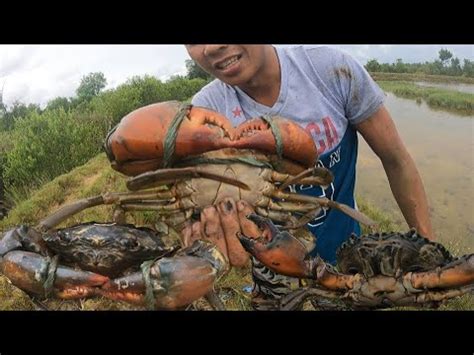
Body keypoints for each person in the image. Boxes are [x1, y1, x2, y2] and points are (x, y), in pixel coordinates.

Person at [184, 44, 434, 309]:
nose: (211, 47)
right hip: (273, 275)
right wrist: (203, 234)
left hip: (348, 261)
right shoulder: (203, 114)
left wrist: (428, 253)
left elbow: (397, 159)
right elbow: (191, 210)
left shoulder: (329, 69)